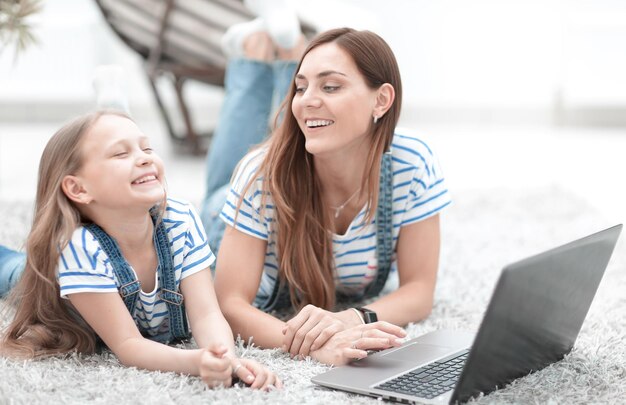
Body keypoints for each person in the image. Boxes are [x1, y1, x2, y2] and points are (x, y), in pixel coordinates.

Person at [203, 26, 451, 366]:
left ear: (381, 100)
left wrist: (350, 318)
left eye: (330, 86)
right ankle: (253, 52)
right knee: (227, 174)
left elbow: (420, 291)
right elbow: (228, 304)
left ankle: (286, 51)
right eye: (300, 87)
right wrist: (307, 344)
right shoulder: (258, 175)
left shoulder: (412, 162)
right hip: (224, 217)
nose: (305, 101)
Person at [0, 111, 281, 390]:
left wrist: (224, 359)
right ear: (78, 188)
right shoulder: (78, 248)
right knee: (16, 271)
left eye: (147, 148)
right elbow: (128, 344)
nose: (145, 157)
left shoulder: (180, 220)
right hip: (55, 281)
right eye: (121, 154)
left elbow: (207, 314)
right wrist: (195, 362)